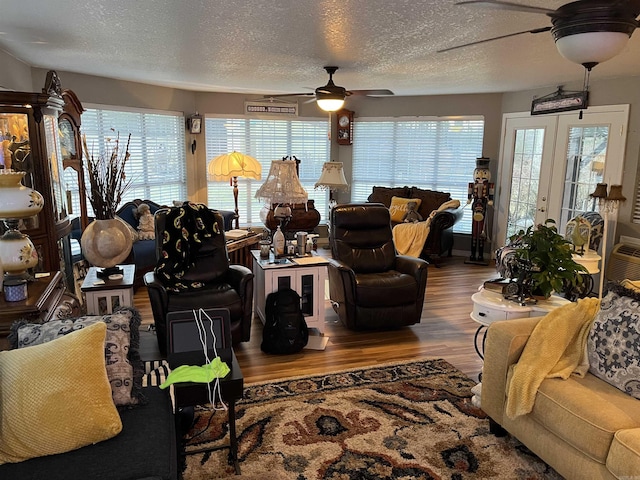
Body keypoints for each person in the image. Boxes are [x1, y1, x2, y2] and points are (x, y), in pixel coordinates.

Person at [466, 157, 494, 263]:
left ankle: (481, 255)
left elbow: (491, 195)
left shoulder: (490, 185)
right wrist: (469, 199)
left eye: (484, 172)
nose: (481, 175)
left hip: (484, 207)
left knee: (482, 229)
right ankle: (473, 254)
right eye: (479, 172)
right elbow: (469, 194)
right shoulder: (472, 185)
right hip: (475, 207)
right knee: (474, 229)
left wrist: (490, 201)